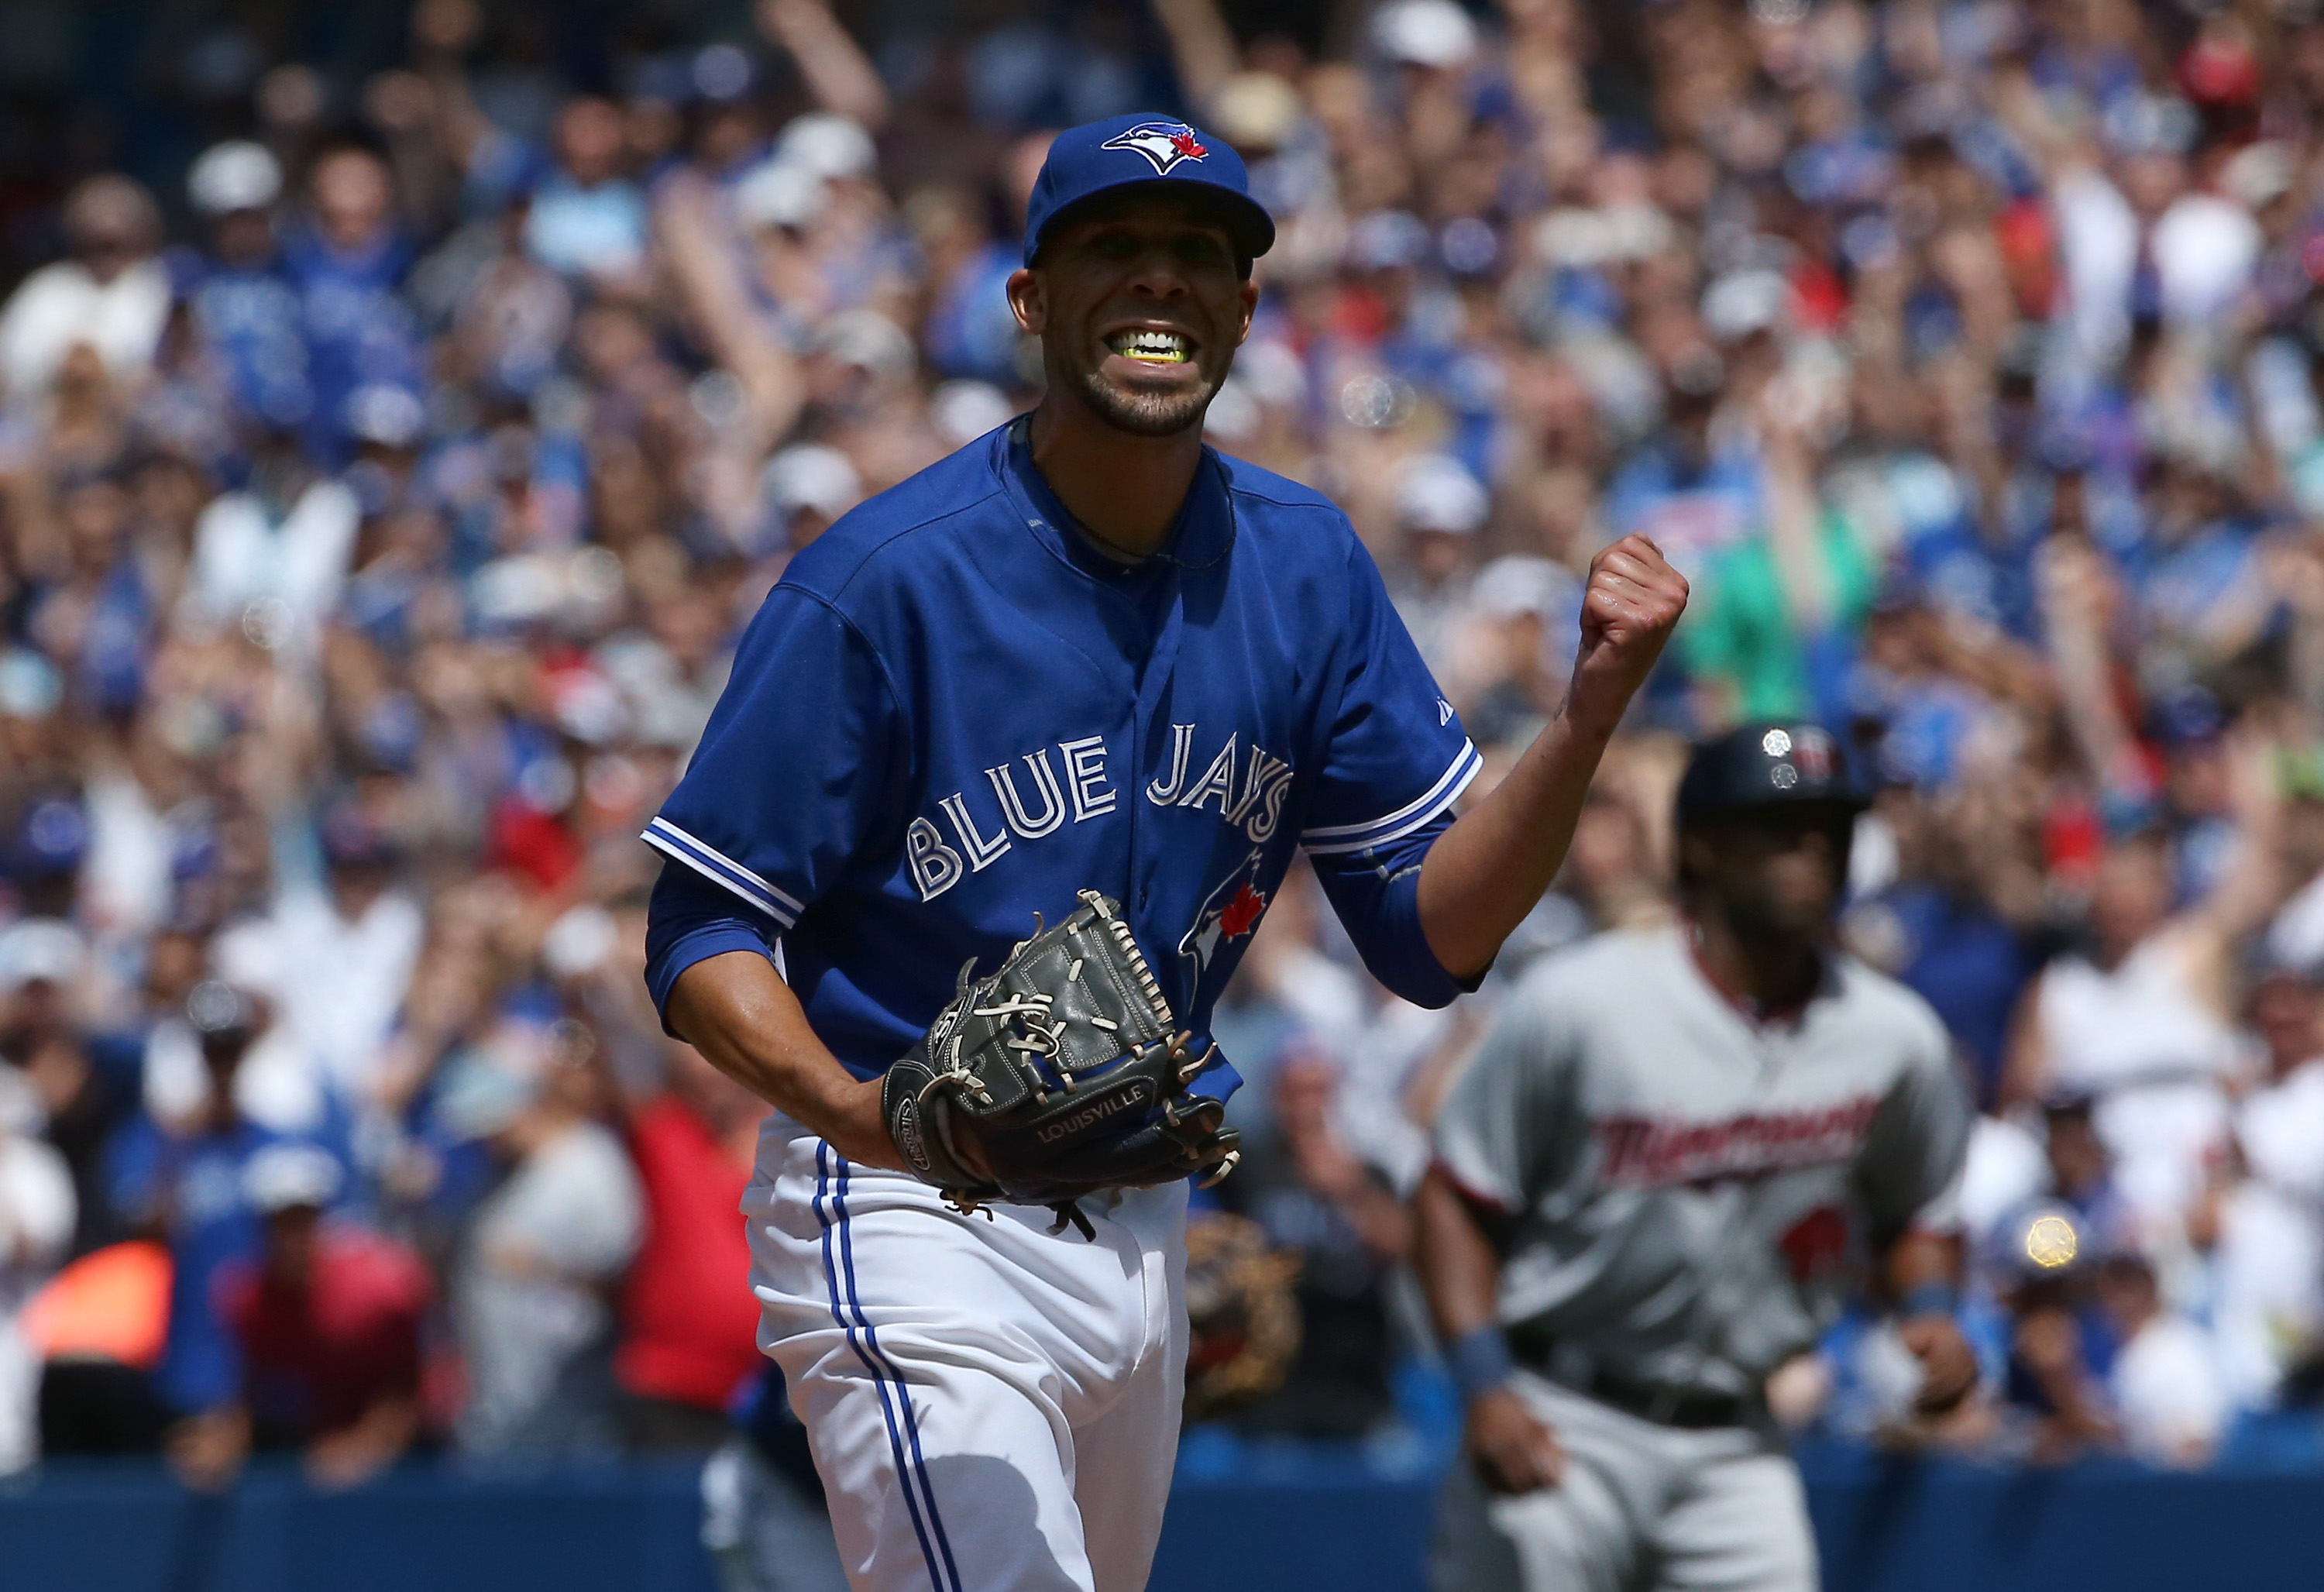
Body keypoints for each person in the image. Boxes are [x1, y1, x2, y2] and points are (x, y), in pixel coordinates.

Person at [642, 113, 1686, 1592]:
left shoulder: (1304, 562)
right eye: (1114, 251)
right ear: (1030, 301)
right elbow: (697, 933)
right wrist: (859, 1115)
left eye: (1199, 257)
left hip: (1144, 1230)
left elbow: (1430, 936)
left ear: (1248, 309)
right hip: (903, 1202)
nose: (1161, 284)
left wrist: (1584, 716)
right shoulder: (882, 584)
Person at [1417, 721, 1977, 1592]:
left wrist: (1932, 1305)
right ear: (1703, 847)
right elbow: (1457, 1195)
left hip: (1738, 1440)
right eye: (1779, 829)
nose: (1813, 850)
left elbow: (1920, 1210)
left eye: (1830, 830)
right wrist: (1485, 1386)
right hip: (1565, 1412)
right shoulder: (1582, 1004)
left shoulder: (1892, 1036)